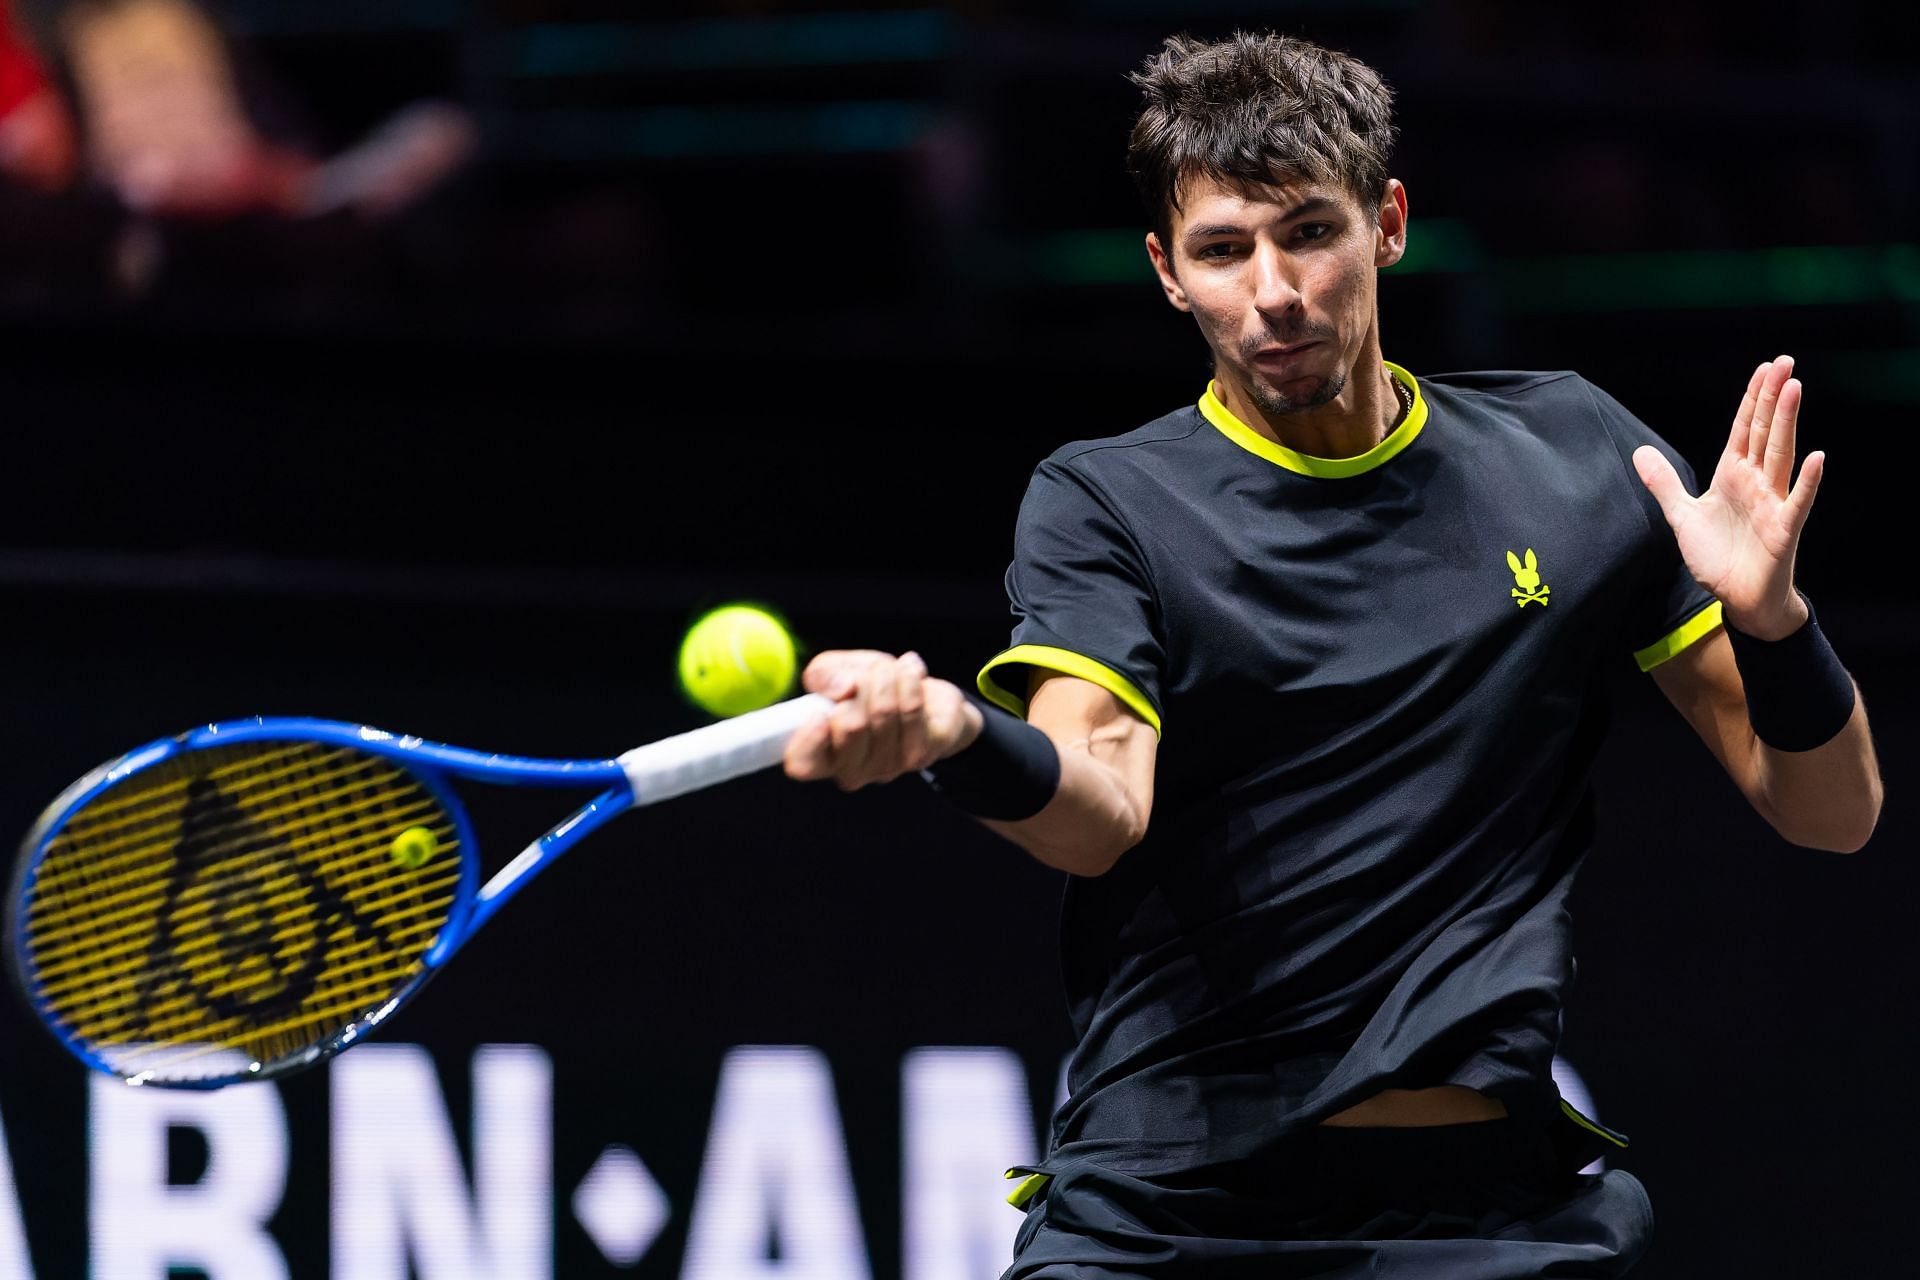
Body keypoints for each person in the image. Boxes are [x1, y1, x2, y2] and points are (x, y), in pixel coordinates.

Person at [783, 30, 1882, 1279]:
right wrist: (958, 735)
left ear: (1389, 222)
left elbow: (1834, 812)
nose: (1274, 290)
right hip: (1167, 1211)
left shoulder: (1579, 458)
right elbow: (1098, 807)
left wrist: (1775, 627)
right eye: (1222, 250)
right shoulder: (1107, 502)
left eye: (1310, 231)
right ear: (1166, 271)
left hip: (1485, 1221)